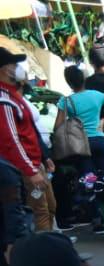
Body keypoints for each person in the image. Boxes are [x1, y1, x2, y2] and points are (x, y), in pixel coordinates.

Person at [0, 47, 55, 233]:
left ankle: (50, 246)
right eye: (14, 64)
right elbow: (11, 140)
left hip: (34, 163)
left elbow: (28, 131)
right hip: (25, 167)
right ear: (5, 69)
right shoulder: (4, 99)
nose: (18, 68)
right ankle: (45, 253)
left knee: (49, 207)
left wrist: (43, 158)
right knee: (40, 211)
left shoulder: (13, 95)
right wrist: (30, 171)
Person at [56, 65, 104, 180]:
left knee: (89, 182)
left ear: (69, 83)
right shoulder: (97, 95)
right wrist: (103, 120)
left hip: (81, 145)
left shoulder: (65, 101)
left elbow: (58, 126)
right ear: (84, 79)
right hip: (100, 140)